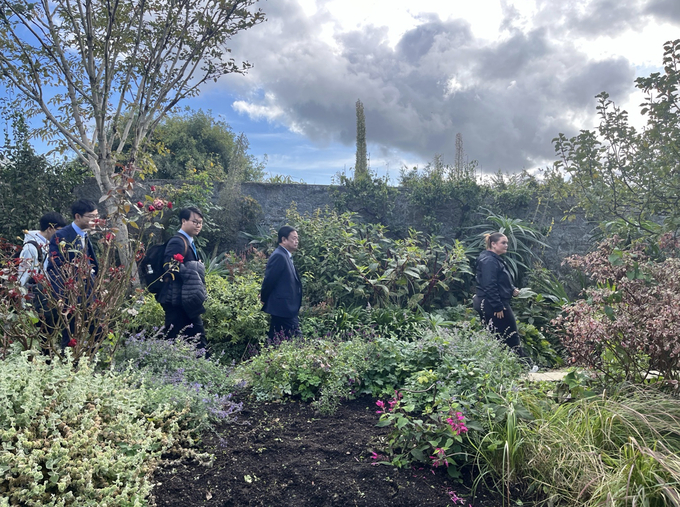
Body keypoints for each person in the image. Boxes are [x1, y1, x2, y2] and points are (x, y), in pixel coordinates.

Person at [47, 199, 100, 349]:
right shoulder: (61, 236)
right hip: (71, 295)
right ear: (78, 216)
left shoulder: (85, 234)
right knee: (70, 337)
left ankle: (92, 364)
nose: (95, 219)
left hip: (89, 294)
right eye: (90, 216)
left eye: (96, 215)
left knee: (99, 329)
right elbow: (54, 267)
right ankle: (69, 367)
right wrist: (62, 297)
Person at [156, 206, 208, 352]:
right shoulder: (178, 241)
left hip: (185, 298)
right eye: (195, 221)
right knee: (175, 336)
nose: (198, 225)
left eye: (200, 223)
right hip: (176, 299)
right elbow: (169, 266)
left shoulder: (188, 241)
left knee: (190, 335)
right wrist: (193, 271)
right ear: (183, 221)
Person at [473, 232, 530, 360]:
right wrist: (497, 306)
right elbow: (489, 285)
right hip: (492, 303)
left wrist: (512, 289)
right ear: (493, 244)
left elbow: (499, 281)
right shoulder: (489, 260)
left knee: (499, 335)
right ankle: (524, 364)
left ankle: (508, 364)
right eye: (503, 243)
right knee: (510, 333)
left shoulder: (492, 259)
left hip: (492, 301)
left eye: (507, 243)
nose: (506, 245)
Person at [260, 226, 302, 341]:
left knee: (276, 338)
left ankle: (269, 356)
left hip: (284, 308)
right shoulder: (279, 256)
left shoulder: (285, 256)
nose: (296, 241)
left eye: (297, 238)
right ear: (284, 240)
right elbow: (269, 280)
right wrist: (264, 297)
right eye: (293, 238)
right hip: (283, 307)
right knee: (298, 340)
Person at [18, 211, 67, 286]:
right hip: (34, 295)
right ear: (50, 229)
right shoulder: (31, 248)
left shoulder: (49, 245)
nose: (62, 234)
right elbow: (23, 280)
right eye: (59, 231)